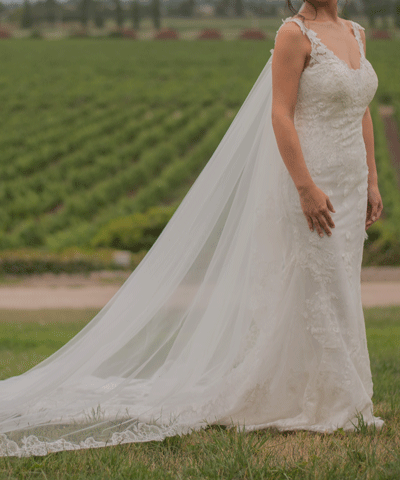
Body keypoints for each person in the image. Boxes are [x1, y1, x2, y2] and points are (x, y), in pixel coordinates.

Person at [0, 0, 384, 458]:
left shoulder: (357, 32)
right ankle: (332, 399)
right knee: (317, 285)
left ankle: (324, 389)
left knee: (341, 282)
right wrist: (304, 187)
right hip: (310, 177)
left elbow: (361, 110)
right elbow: (281, 114)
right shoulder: (294, 34)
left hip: (351, 178)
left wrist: (373, 180)